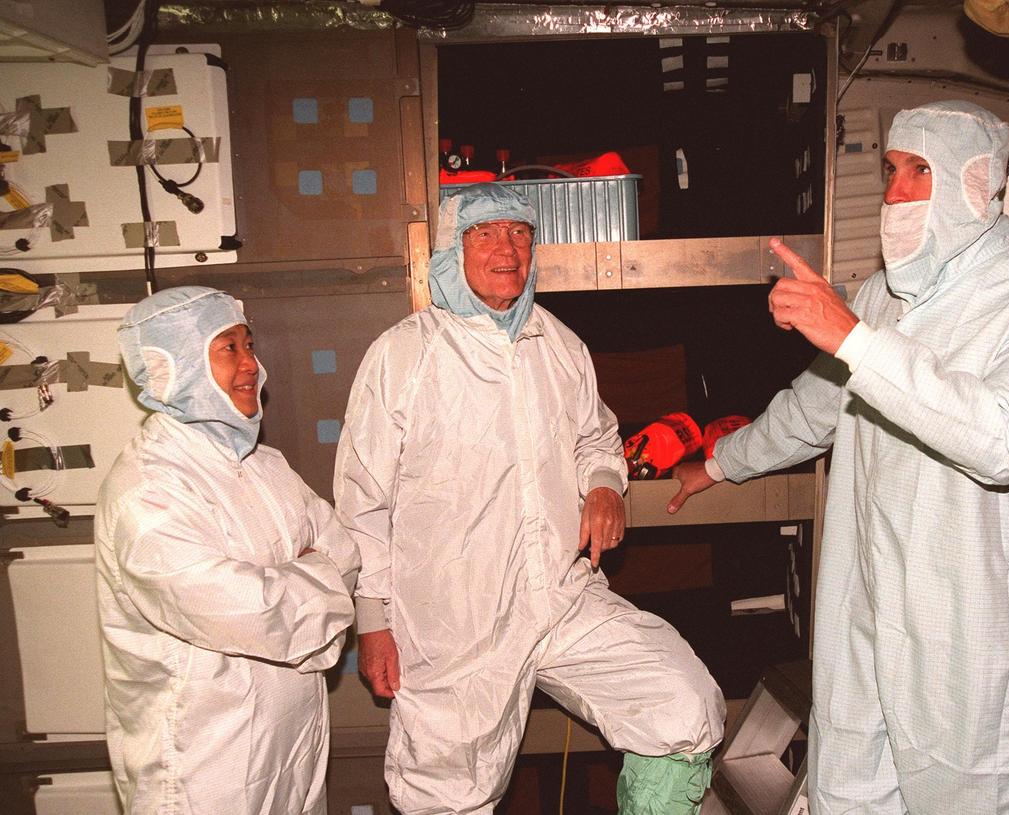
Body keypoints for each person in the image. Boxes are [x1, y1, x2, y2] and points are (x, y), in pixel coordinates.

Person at [668, 101, 1009, 814]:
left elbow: (1003, 437)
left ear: (976, 184)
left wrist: (853, 339)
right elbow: (814, 410)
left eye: (920, 171)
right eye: (892, 169)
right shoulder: (881, 297)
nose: (895, 192)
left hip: (975, 638)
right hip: (869, 614)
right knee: (855, 792)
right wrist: (717, 463)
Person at [334, 184, 724, 814]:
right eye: (485, 234)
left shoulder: (558, 344)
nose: (506, 248)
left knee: (679, 701)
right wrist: (373, 622)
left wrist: (603, 483)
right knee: (445, 793)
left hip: (560, 595)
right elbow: (362, 502)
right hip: (455, 620)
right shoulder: (404, 356)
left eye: (519, 233)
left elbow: (595, 435)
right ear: (450, 249)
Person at [96, 286, 359, 814]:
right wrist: (314, 572)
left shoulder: (266, 465)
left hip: (293, 748)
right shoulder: (149, 489)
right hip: (205, 764)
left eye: (250, 346)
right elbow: (247, 608)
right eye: (229, 349)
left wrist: (300, 573)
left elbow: (344, 551)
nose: (252, 367)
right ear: (178, 367)